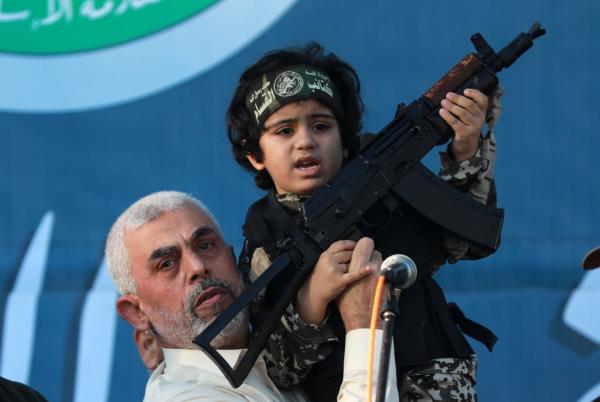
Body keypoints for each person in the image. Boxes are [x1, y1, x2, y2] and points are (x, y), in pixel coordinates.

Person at [226, 42, 501, 401]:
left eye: (321, 126)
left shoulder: (384, 185)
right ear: (254, 154)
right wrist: (313, 299)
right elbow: (278, 370)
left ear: (345, 141)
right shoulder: (264, 237)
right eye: (284, 131)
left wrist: (465, 150)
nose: (305, 141)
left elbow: (464, 239)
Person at [104, 191, 399, 401]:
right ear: (136, 312)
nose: (197, 267)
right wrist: (365, 322)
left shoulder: (278, 360)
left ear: (233, 260)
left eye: (205, 245)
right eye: (166, 263)